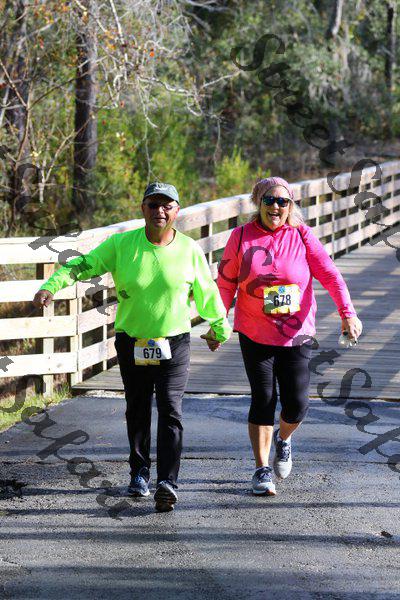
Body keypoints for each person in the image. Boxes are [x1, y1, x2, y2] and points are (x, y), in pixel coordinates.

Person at [33, 182, 231, 512]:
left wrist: (220, 328)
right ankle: (139, 473)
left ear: (177, 211)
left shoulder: (189, 250)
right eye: (153, 205)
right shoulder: (123, 245)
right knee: (137, 408)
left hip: (174, 343)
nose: (159, 211)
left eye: (166, 205)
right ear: (143, 209)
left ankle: (167, 482)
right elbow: (83, 265)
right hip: (132, 342)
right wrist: (51, 286)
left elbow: (207, 293)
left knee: (170, 409)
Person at [206, 176, 362, 496]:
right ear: (258, 203)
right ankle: (261, 468)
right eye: (269, 200)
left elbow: (330, 275)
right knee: (263, 398)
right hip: (254, 331)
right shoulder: (241, 236)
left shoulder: (302, 235)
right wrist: (218, 323)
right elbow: (225, 283)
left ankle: (284, 437)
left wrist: (348, 313)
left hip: (296, 333)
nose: (276, 207)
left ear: (290, 206)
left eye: (283, 201)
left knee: (297, 404)